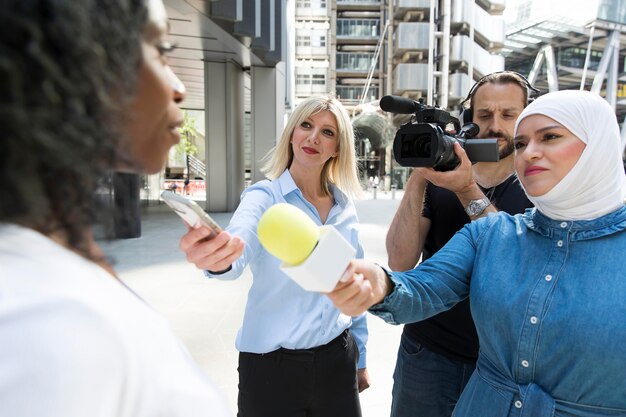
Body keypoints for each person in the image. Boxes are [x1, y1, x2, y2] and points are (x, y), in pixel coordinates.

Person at [329, 89, 626, 415]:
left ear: (598, 143)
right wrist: (379, 284)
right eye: (522, 144)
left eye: (550, 137)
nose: (529, 153)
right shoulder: (492, 234)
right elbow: (419, 288)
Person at [0, 1, 230, 416]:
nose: (179, 86)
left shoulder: (51, 273)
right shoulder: (46, 323)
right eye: (161, 50)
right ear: (81, 62)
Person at [179, 94, 369, 417]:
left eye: (327, 132)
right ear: (292, 133)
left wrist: (360, 357)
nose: (312, 137)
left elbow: (354, 283)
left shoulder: (344, 208)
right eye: (305, 125)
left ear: (338, 147)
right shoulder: (263, 198)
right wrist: (220, 257)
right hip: (271, 371)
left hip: (337, 362)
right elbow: (236, 250)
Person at [384, 71, 535, 417]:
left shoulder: (538, 186)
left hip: (501, 364)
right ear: (470, 119)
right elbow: (401, 262)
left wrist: (466, 188)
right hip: (428, 352)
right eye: (484, 115)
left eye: (508, 115)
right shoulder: (438, 178)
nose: (495, 125)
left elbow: (515, 264)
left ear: (526, 118)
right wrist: (420, 173)